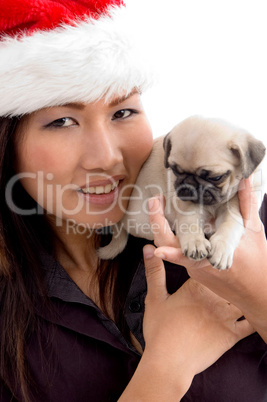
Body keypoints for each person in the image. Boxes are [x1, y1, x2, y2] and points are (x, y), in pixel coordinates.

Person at [0, 0, 266, 401]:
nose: (106, 156)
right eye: (62, 121)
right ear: (7, 145)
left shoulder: (247, 229)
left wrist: (259, 291)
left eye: (123, 111)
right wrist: (165, 367)